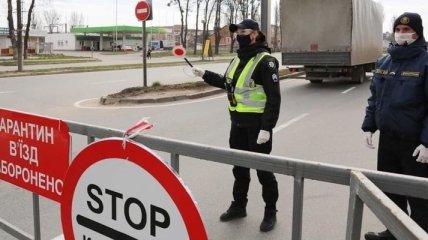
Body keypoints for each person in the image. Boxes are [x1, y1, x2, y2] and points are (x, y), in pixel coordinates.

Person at [192, 19, 281, 232]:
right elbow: (228, 83)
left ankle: (270, 211)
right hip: (237, 124)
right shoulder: (237, 59)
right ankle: (239, 205)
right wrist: (205, 74)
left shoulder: (265, 61)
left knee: (263, 171)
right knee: (239, 168)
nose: (237, 35)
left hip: (257, 127)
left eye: (243, 31)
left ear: (254, 34)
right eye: (236, 31)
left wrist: (267, 128)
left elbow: (274, 99)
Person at [362, 12, 428, 240]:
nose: (401, 34)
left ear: (417, 33)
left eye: (407, 30)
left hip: (415, 145)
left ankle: (419, 235)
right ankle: (393, 231)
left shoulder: (425, 62)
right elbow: (374, 97)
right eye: (398, 29)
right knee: (390, 190)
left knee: (419, 198)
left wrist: (426, 142)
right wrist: (369, 125)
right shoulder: (385, 60)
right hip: (388, 140)